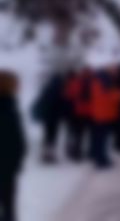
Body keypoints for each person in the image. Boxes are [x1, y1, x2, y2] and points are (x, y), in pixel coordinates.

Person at [0, 71, 26, 221]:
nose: (18, 86)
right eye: (15, 83)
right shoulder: (7, 107)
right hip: (5, 165)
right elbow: (13, 139)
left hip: (7, 163)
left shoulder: (9, 104)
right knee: (8, 205)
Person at [89, 67, 120, 169]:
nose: (117, 74)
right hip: (104, 114)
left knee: (99, 138)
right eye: (116, 71)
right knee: (102, 139)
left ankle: (99, 157)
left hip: (99, 113)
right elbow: (109, 96)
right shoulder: (105, 81)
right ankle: (101, 161)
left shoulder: (98, 80)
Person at [31, 72, 67, 163]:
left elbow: (41, 101)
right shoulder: (60, 91)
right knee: (53, 135)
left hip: (47, 117)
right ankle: (50, 155)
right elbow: (61, 105)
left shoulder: (47, 89)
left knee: (47, 134)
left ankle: (44, 153)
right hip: (55, 117)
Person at [64, 68, 93, 161]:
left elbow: (68, 95)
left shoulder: (76, 82)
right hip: (86, 112)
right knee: (82, 133)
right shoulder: (91, 82)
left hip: (78, 111)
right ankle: (79, 152)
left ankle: (75, 151)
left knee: (78, 133)